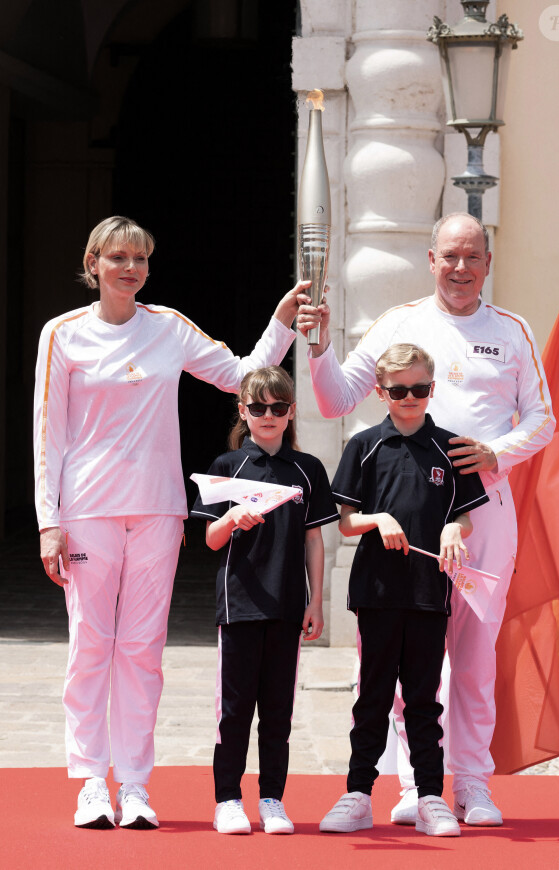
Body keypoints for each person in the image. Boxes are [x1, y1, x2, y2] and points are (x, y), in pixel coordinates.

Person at [33, 216, 305, 830]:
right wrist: (49, 521)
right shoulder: (63, 334)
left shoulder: (169, 329)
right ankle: (89, 783)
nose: (131, 269)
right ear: (94, 262)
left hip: (158, 509)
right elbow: (46, 431)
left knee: (142, 651)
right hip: (87, 509)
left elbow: (239, 375)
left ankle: (133, 783)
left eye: (142, 259)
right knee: (90, 647)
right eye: (119, 258)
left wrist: (281, 323)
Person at [298, 212, 555, 826]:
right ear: (431, 259)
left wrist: (498, 453)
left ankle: (473, 783)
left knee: (473, 654)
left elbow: (541, 419)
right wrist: (318, 346)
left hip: (482, 515)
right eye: (449, 256)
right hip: (412, 520)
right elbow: (336, 399)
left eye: (472, 257)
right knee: (409, 655)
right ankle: (416, 783)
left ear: (487, 262)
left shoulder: (512, 329)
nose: (460, 268)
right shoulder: (399, 324)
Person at [319, 344, 489, 837]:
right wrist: (379, 518)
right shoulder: (365, 445)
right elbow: (346, 522)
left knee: (423, 698)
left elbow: (465, 514)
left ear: (431, 389)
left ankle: (431, 797)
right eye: (398, 390)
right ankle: (357, 794)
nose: (409, 397)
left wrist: (459, 527)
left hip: (429, 592)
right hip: (376, 591)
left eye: (418, 389)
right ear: (380, 392)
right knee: (371, 696)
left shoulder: (451, 448)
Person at [190, 366, 339, 835]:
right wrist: (234, 516)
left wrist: (317, 603)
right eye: (258, 407)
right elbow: (211, 540)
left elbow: (315, 541)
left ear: (291, 411)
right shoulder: (225, 467)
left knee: (278, 711)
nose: (268, 415)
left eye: (278, 407)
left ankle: (272, 798)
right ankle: (227, 799)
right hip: (239, 605)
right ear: (243, 412)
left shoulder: (307, 469)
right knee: (234, 711)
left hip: (288, 604)